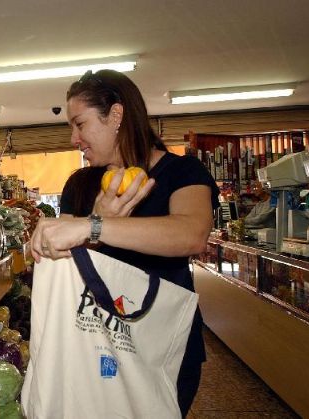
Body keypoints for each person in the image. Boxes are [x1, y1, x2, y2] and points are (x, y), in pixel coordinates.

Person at [31, 69, 220, 417]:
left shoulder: (184, 173)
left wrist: (95, 226)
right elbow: (74, 269)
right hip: (98, 339)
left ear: (116, 115)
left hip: (163, 342)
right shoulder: (80, 185)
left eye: (80, 123)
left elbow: (191, 234)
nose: (74, 138)